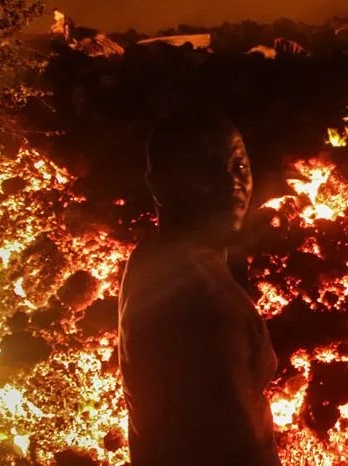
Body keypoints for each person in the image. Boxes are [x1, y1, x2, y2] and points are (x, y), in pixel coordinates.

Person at [118, 109, 280, 465]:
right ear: (159, 184)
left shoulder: (154, 257)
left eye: (239, 168)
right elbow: (241, 449)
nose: (231, 184)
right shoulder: (204, 305)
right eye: (205, 171)